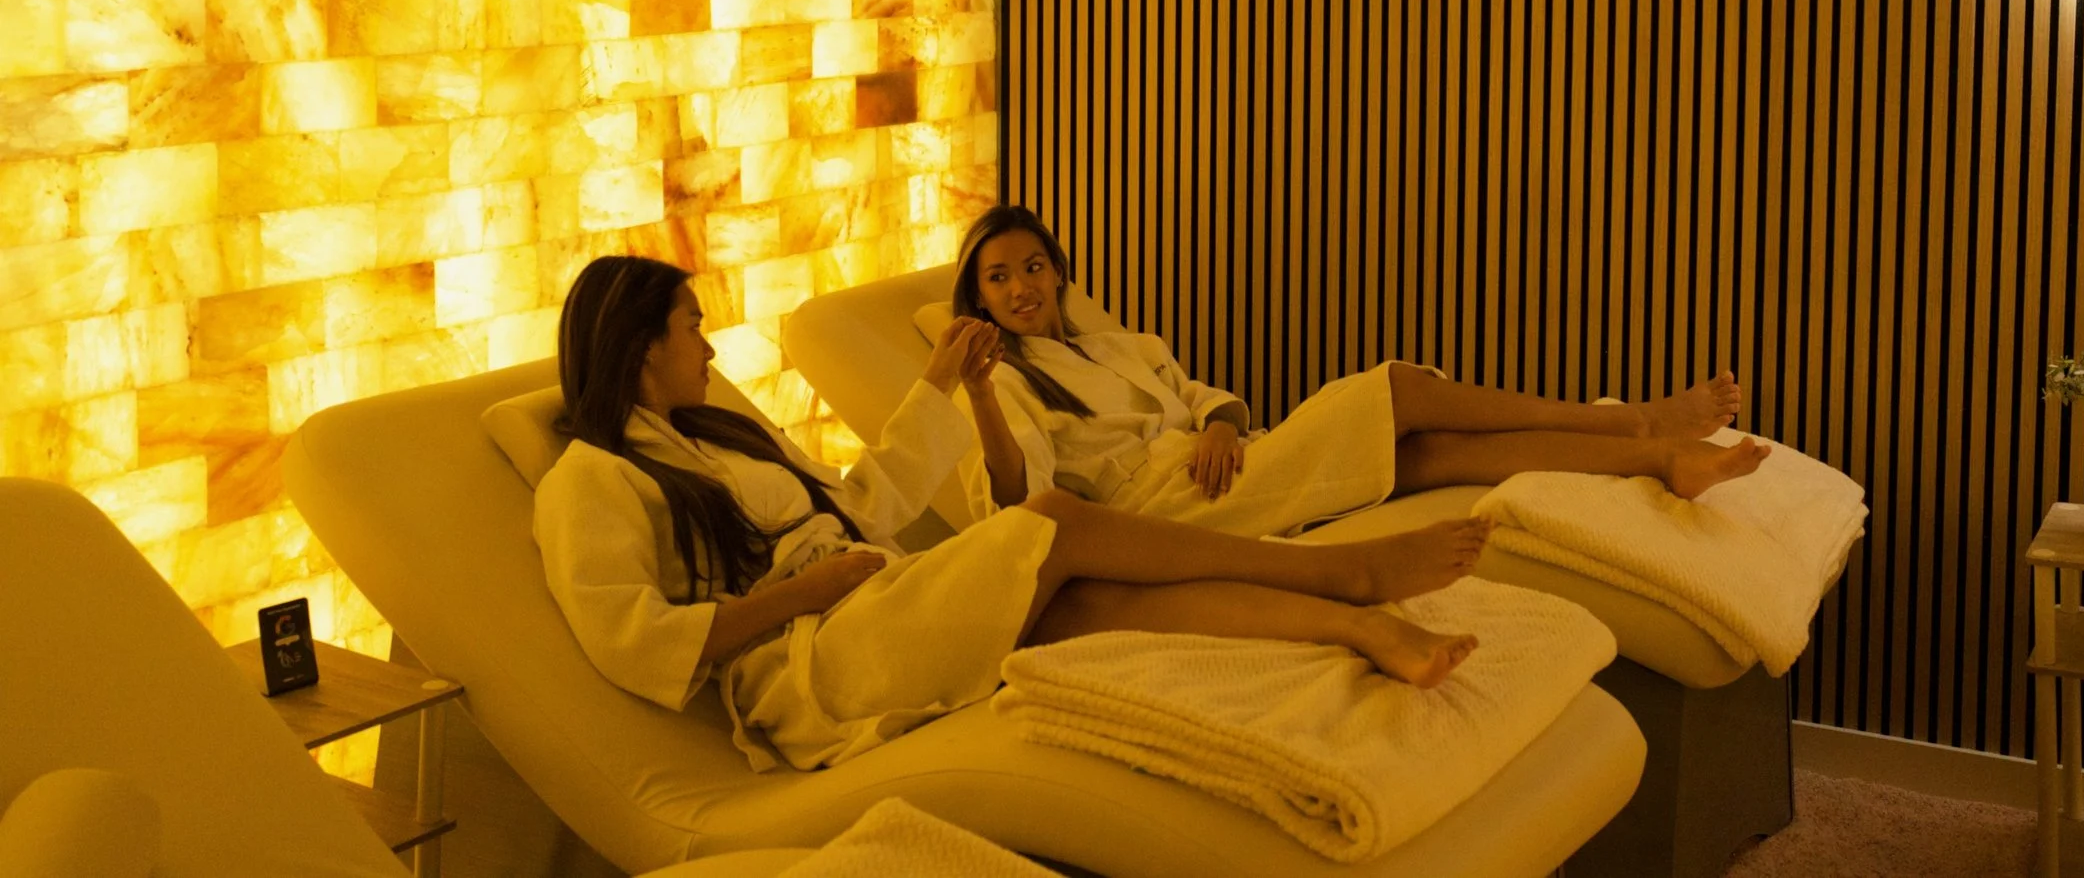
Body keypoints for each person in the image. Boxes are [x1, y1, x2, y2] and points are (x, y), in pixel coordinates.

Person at [531, 255, 1493, 773]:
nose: (706, 343)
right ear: (640, 342)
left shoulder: (718, 433)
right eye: (691, 324)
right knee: (1056, 520)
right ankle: (1343, 573)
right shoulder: (590, 479)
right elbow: (636, 640)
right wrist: (814, 588)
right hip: (808, 666)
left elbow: (862, 502)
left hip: (874, 602)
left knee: (1089, 602)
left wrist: (942, 381)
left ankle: (1360, 624)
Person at [949, 205, 1771, 537]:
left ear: (1058, 270)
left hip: (1230, 460)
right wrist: (981, 391)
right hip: (1175, 508)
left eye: (1032, 266)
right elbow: (1021, 500)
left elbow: (1207, 395)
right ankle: (1630, 419)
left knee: (1434, 455)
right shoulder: (1011, 381)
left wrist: (1221, 424)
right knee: (1401, 389)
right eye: (998, 277)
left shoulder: (1117, 342)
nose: (1020, 287)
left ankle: (1662, 456)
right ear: (980, 298)